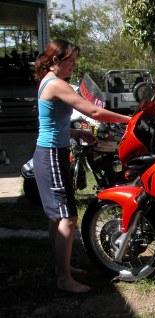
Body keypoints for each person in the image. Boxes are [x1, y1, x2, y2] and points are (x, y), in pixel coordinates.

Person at [33, 39, 131, 293]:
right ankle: (64, 279)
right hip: (52, 155)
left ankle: (59, 268)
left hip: (52, 151)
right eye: (70, 61)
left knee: (57, 217)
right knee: (67, 217)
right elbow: (93, 112)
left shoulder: (48, 81)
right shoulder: (56, 84)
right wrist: (130, 119)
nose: (73, 66)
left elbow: (52, 123)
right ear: (56, 60)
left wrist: (78, 134)